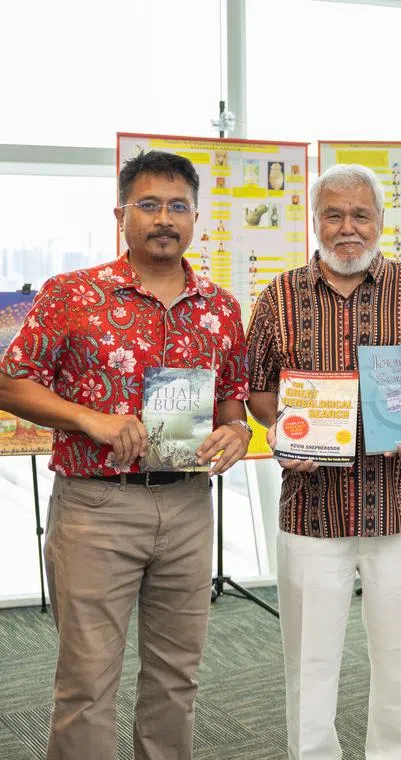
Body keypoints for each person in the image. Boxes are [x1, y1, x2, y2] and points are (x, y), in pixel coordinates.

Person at [0, 150, 251, 760]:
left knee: (176, 677)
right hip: (96, 509)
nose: (163, 218)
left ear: (195, 218)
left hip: (189, 507)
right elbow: (11, 380)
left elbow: (233, 403)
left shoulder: (221, 309)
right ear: (121, 215)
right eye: (148, 205)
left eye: (177, 206)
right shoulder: (71, 294)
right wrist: (90, 418)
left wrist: (236, 434)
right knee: (87, 684)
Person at [245, 163, 401, 760]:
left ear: (380, 221)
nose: (348, 228)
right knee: (309, 659)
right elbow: (259, 391)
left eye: (360, 214)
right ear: (315, 221)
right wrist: (287, 434)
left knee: (400, 658)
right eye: (334, 215)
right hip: (312, 511)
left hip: (399, 505)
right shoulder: (279, 295)